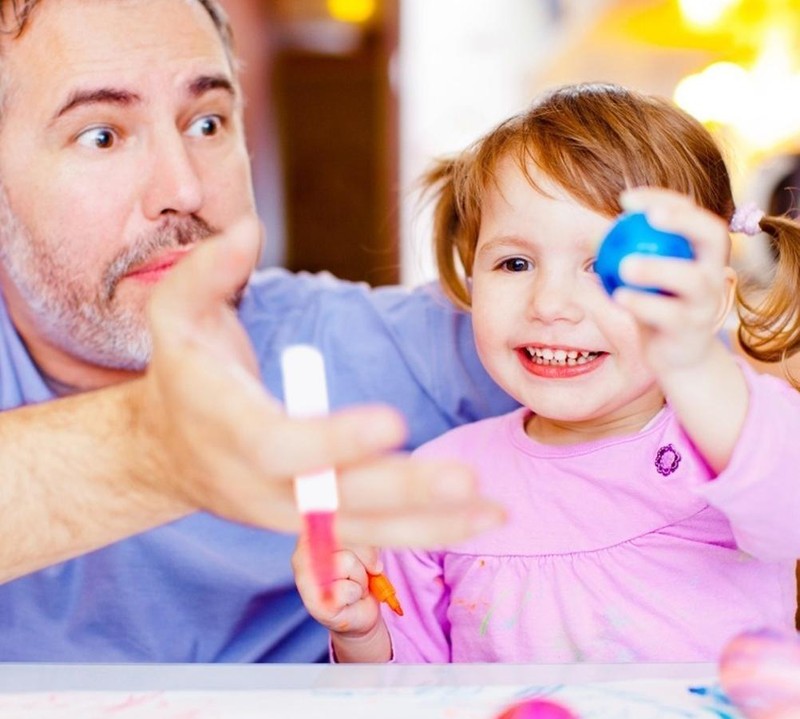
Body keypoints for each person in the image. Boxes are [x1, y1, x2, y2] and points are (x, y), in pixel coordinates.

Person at [0, 0, 517, 662]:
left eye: (208, 122)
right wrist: (162, 451)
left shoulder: (368, 349)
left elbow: (653, 365)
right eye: (102, 135)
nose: (183, 189)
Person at [294, 83, 800, 664]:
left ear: (708, 299)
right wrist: (359, 632)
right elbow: (404, 695)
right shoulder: (440, 483)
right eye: (515, 263)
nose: (550, 303)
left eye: (604, 266)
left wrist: (692, 358)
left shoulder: (734, 440)